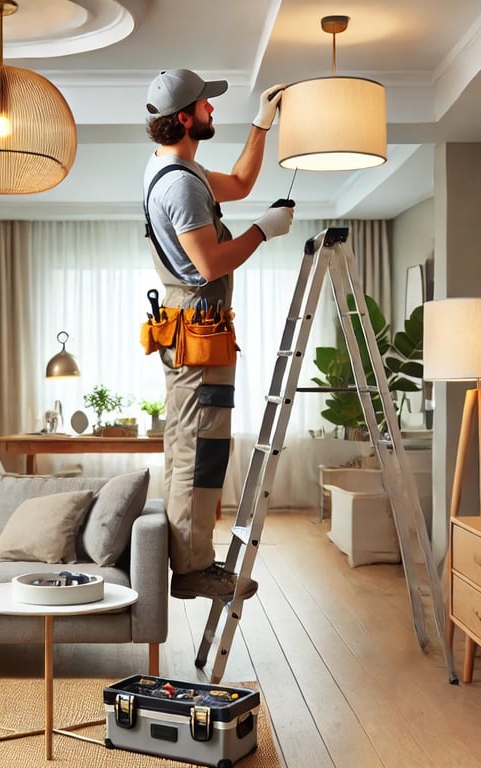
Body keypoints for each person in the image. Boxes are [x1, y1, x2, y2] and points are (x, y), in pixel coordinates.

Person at [143, 68, 295, 601]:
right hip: (197, 337)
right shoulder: (181, 185)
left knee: (204, 444)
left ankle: (195, 559)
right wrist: (262, 231)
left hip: (204, 333)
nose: (212, 110)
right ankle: (192, 569)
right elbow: (209, 264)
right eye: (205, 105)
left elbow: (242, 184)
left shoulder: (180, 168)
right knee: (196, 449)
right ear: (184, 118)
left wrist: (261, 125)